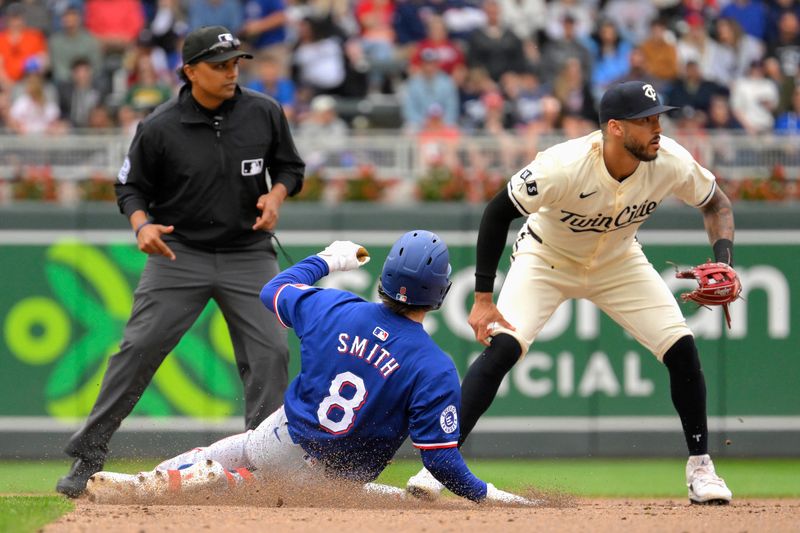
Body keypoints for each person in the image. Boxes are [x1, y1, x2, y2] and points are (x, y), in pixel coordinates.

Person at [406, 81, 738, 506]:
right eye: (646, 121)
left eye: (658, 118)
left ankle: (701, 468)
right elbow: (496, 212)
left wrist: (724, 259)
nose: (657, 128)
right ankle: (438, 463)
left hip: (619, 261)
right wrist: (484, 298)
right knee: (503, 348)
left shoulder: (670, 160)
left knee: (681, 348)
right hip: (547, 259)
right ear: (615, 128)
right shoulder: (563, 164)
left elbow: (716, 204)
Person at [84, 232, 531, 506]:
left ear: (384, 279)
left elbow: (272, 289)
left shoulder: (334, 305)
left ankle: (151, 483)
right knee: (250, 488)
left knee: (228, 455)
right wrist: (488, 494)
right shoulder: (434, 366)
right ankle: (220, 483)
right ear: (440, 295)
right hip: (326, 478)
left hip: (277, 434)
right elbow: (441, 460)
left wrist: (329, 259)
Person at [56, 25, 306, 498]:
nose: (232, 72)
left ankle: (266, 467)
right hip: (180, 254)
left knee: (271, 353)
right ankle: (88, 456)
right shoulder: (159, 126)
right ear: (190, 71)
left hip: (247, 253)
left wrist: (276, 194)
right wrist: (141, 225)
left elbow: (291, 168)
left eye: (235, 63)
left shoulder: (264, 112)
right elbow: (129, 187)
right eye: (219, 65)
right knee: (139, 350)